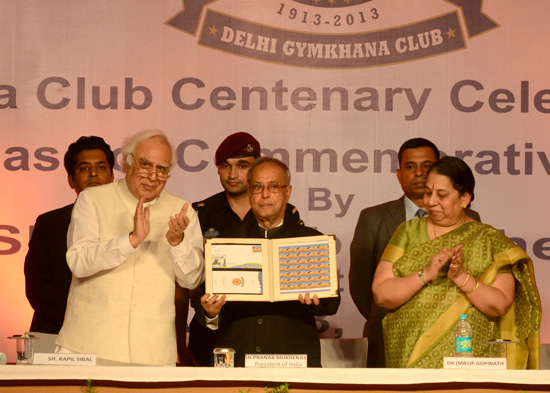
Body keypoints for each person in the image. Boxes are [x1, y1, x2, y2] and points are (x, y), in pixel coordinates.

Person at [372, 156, 541, 368]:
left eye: (441, 195)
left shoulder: (490, 240)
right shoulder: (407, 232)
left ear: (465, 198)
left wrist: (461, 277)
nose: (431, 201)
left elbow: (499, 305)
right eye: (427, 192)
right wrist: (426, 273)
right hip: (408, 356)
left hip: (469, 363)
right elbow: (381, 293)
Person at [56, 130, 204, 366]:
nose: (153, 176)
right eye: (145, 165)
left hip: (152, 351)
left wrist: (178, 243)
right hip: (88, 346)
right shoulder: (92, 200)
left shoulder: (182, 211)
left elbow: (191, 280)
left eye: (162, 169)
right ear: (127, 162)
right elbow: (79, 262)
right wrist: (131, 240)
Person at [349, 138, 480, 367]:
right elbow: (360, 285)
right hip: (387, 332)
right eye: (410, 167)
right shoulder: (373, 218)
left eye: (427, 166)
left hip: (451, 336)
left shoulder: (471, 219)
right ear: (399, 174)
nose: (419, 173)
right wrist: (391, 313)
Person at [200, 157, 340, 367]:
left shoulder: (311, 241)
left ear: (287, 192)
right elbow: (206, 307)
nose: (265, 195)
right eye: (257, 187)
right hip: (237, 359)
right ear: (249, 193)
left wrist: (316, 299)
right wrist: (210, 313)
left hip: (294, 361)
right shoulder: (224, 243)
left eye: (273, 187)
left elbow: (332, 302)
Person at [187, 132, 302, 366]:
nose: (232, 174)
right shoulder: (200, 212)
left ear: (254, 169)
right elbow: (188, 276)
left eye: (241, 166)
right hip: (212, 321)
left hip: (265, 325)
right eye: (225, 166)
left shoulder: (278, 209)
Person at [24, 136, 115, 334]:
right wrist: (81, 318)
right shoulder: (49, 224)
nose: (93, 174)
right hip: (57, 331)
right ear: (71, 179)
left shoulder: (133, 224)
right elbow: (36, 288)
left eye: (101, 167)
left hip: (113, 335)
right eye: (84, 168)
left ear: (112, 177)